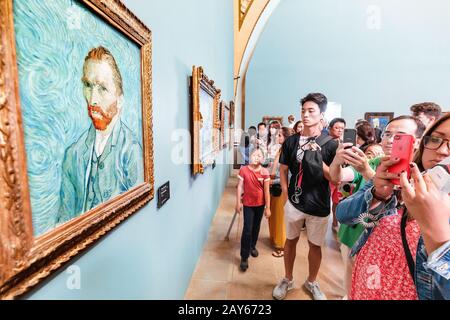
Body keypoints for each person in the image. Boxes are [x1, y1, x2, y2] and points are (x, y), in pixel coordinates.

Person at [336, 113, 450, 300]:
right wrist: (378, 193)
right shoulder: (391, 176)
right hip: (366, 283)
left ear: (416, 141)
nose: (443, 151)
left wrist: (438, 236)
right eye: (436, 139)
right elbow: (343, 214)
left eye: (400, 136)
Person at [56, 46, 143, 223]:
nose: (92, 99)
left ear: (120, 100)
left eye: (102, 88)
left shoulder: (131, 150)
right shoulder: (73, 154)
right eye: (88, 86)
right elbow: (64, 219)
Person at [272, 93, 338, 300]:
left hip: (318, 203)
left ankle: (312, 282)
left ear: (322, 115)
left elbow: (334, 178)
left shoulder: (330, 144)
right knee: (289, 241)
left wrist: (318, 156)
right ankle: (287, 278)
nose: (306, 115)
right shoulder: (291, 141)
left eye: (311, 111)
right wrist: (284, 191)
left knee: (315, 245)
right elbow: (283, 169)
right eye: (303, 110)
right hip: (294, 201)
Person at [236, 148, 271, 272]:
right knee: (247, 229)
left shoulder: (265, 172)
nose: (257, 157)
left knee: (256, 227)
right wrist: (238, 202)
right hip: (248, 204)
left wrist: (268, 208)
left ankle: (252, 246)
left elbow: (266, 191)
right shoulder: (244, 170)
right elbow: (240, 187)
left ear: (263, 158)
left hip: (260, 204)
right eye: (254, 155)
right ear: (250, 156)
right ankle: (244, 256)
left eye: (259, 155)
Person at [268, 127, 294, 258]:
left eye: (279, 135)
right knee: (273, 215)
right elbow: (274, 168)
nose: (277, 136)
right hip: (274, 187)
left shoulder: (289, 153)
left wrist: (271, 181)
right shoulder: (280, 150)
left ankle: (282, 246)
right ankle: (274, 238)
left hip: (282, 189)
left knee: (280, 218)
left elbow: (288, 176)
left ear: (286, 138)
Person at [327, 118, 346, 232]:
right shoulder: (326, 142)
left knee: (337, 200)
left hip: (341, 176)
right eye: (337, 128)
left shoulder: (343, 142)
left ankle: (335, 221)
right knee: (325, 199)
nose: (340, 130)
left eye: (342, 128)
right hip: (328, 176)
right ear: (330, 128)